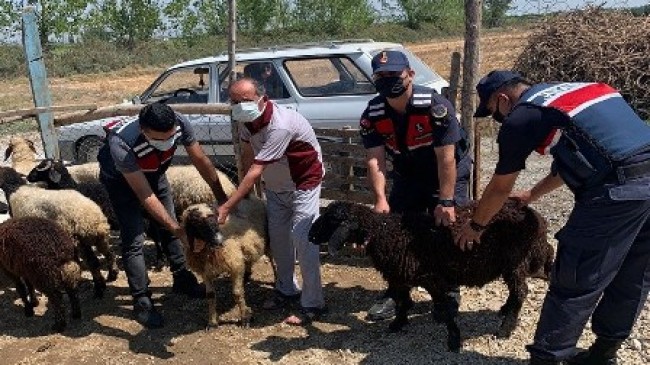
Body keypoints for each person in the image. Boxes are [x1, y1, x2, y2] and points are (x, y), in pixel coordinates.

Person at [456, 70, 650, 365]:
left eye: (494, 112)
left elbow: (499, 187)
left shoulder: (523, 116)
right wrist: (532, 194)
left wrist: (476, 225)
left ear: (503, 99)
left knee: (575, 276)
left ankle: (547, 358)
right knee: (634, 272)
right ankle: (603, 354)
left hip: (618, 192)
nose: (498, 119)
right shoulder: (583, 90)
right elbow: (585, 157)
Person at [359, 50, 472, 322]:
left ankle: (449, 289)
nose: (388, 80)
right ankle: (398, 291)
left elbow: (447, 157)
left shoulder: (435, 107)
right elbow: (375, 160)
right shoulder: (372, 113)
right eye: (381, 75)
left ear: (410, 74)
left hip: (445, 173)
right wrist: (380, 199)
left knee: (446, 228)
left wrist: (445, 201)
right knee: (396, 230)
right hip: (408, 174)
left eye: (394, 74)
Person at [98, 102, 229, 328]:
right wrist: (178, 230)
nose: (167, 142)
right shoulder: (121, 143)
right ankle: (142, 300)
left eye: (170, 137)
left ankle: (182, 279)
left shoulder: (179, 122)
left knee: (170, 225)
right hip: (122, 182)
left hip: (155, 173)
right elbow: (144, 195)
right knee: (134, 239)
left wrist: (222, 198)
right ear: (143, 130)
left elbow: (200, 160)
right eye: (160, 139)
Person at [217, 77, 326, 326]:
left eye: (244, 101)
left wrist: (228, 205)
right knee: (278, 241)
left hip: (303, 184)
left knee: (303, 238)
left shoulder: (281, 125)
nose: (239, 105)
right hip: (276, 187)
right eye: (234, 101)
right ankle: (286, 289)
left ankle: (313, 303)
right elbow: (247, 156)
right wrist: (247, 191)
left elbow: (256, 168)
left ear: (262, 99)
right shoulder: (246, 123)